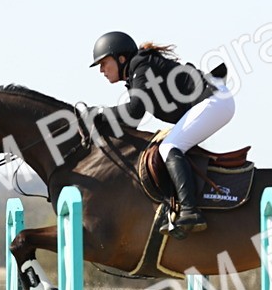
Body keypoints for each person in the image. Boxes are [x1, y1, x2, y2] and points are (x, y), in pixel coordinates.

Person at [90, 31, 235, 236]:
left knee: (170, 147)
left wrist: (98, 114)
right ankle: (175, 204)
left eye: (104, 63)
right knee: (170, 145)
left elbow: (134, 111)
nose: (101, 70)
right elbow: (132, 121)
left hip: (214, 100)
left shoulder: (141, 66)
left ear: (121, 58)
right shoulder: (137, 70)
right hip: (214, 100)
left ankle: (190, 210)